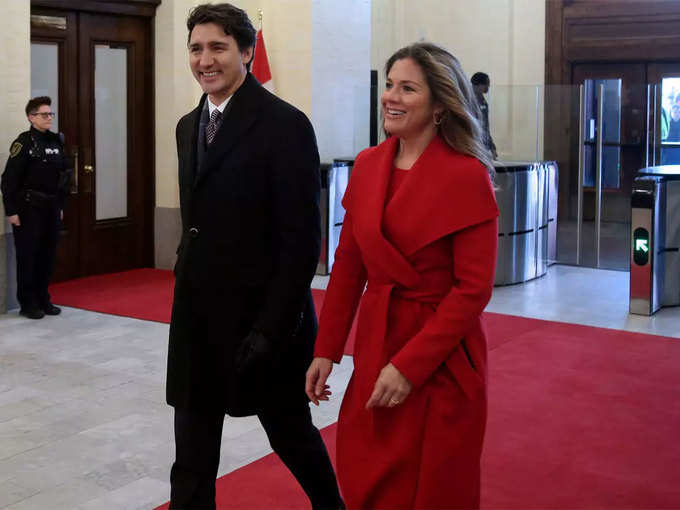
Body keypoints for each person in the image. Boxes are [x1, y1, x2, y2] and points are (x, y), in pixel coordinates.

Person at [306, 42, 499, 509]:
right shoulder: (369, 164)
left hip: (440, 357)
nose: (390, 96)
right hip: (377, 342)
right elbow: (349, 266)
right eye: (389, 84)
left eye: (407, 88)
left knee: (432, 485)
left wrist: (410, 366)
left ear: (439, 104)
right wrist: (326, 350)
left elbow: (472, 290)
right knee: (367, 470)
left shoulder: (467, 174)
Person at [166, 4, 343, 509]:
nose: (205, 60)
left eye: (218, 47)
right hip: (199, 319)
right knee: (192, 457)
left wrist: (270, 329)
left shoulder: (284, 125)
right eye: (196, 48)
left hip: (263, 324)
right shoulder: (187, 126)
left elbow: (300, 241)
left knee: (291, 436)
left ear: (246, 51)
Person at [1, 96, 69, 319]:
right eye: (44, 114)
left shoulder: (56, 141)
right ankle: (28, 303)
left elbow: (64, 176)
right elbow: (9, 179)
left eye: (51, 114)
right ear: (31, 117)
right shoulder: (24, 143)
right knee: (28, 256)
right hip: (28, 208)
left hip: (51, 207)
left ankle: (43, 299)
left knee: (47, 256)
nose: (49, 118)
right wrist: (11, 210)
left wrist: (60, 205)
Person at [471, 71, 498, 159]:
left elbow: (485, 127)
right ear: (479, 85)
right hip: (472, 148)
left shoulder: (483, 102)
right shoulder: (467, 101)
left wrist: (492, 147)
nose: (488, 87)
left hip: (482, 148)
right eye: (486, 84)